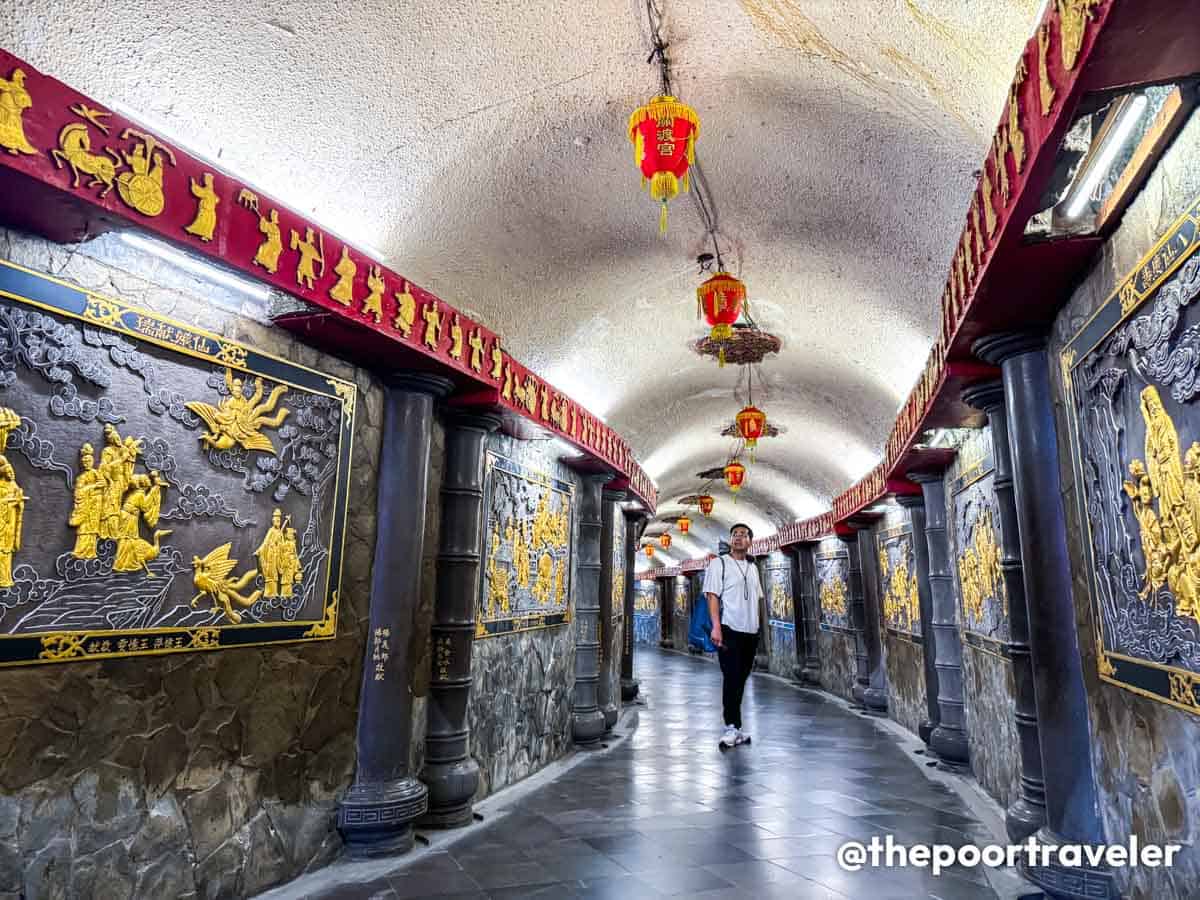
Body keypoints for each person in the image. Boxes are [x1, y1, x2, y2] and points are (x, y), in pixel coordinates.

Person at [703, 523, 763, 748]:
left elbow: (757, 600)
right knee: (731, 677)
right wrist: (716, 626)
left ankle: (736, 727)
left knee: (741, 677)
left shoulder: (753, 568)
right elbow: (712, 596)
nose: (738, 538)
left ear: (750, 541)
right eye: (735, 535)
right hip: (729, 628)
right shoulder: (719, 564)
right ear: (730, 540)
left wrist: (758, 629)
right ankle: (730, 726)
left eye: (743, 535)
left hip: (750, 632)